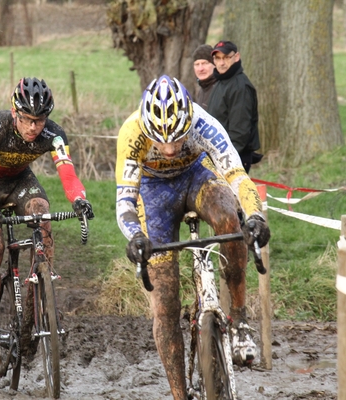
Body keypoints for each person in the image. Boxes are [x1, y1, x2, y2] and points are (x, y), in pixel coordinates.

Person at [115, 75, 270, 400]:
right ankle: (179, 395)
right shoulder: (131, 133)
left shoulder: (204, 122)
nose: (170, 149)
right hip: (154, 193)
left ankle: (240, 320)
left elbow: (237, 175)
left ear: (189, 121)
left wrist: (254, 215)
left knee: (229, 219)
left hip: (197, 176)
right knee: (165, 304)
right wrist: (135, 237)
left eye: (177, 138)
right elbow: (125, 202)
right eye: (162, 142)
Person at [0, 77, 94, 376]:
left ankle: (41, 299)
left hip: (20, 181)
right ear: (15, 112)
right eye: (27, 119)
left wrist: (79, 200)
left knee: (43, 214)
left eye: (40, 120)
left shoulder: (54, 133)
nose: (34, 127)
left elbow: (69, 176)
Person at [208, 40, 263, 173]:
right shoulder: (222, 82)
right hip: (217, 156)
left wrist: (224, 160)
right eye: (218, 58)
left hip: (232, 159)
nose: (222, 63)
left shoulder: (240, 86)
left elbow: (239, 132)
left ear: (236, 57)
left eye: (226, 57)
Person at [191, 44, 217, 111]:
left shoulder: (220, 89)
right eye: (197, 64)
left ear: (215, 64)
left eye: (205, 63)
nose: (200, 69)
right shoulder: (202, 90)